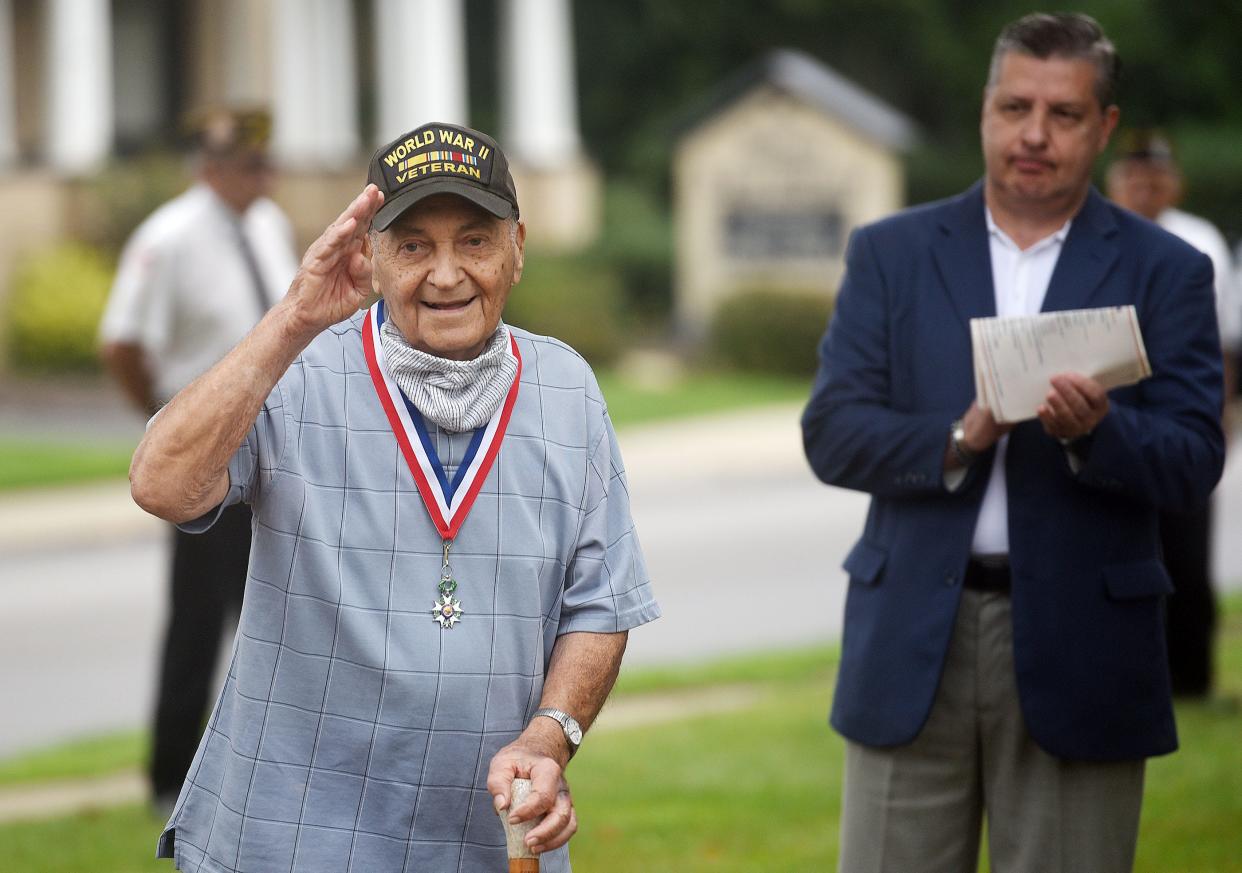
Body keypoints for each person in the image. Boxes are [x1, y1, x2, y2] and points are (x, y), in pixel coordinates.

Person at [129, 120, 660, 872]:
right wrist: (293, 318)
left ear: (517, 247)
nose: (445, 275)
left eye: (473, 240)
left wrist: (549, 735)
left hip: (481, 841)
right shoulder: (299, 370)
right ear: (370, 255)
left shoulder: (567, 389)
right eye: (413, 245)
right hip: (286, 843)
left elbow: (600, 604)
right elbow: (160, 484)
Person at [801, 13, 1224, 873]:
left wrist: (1098, 432)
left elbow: (1193, 460)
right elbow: (832, 433)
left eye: (1064, 114)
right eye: (1014, 106)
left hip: (1086, 642)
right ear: (985, 110)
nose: (1034, 133)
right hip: (914, 634)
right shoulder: (892, 254)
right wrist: (962, 433)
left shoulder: (1167, 269)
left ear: (1103, 127)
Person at [98, 107, 299, 811]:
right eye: (251, 165)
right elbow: (122, 340)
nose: (266, 176)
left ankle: (272, 762)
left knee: (280, 610)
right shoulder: (170, 236)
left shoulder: (268, 226)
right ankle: (171, 775)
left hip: (277, 444)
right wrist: (160, 419)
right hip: (207, 459)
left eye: (269, 164)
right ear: (210, 167)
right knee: (199, 617)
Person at [1106, 129, 1239, 698]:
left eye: (1155, 177)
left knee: (1186, 546)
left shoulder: (1199, 238)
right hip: (1109, 406)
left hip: (1182, 402)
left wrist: (1224, 408)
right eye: (1134, 177)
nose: (1145, 187)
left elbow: (1226, 335)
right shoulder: (1094, 236)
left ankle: (1191, 676)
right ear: (1115, 182)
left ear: (1174, 183)